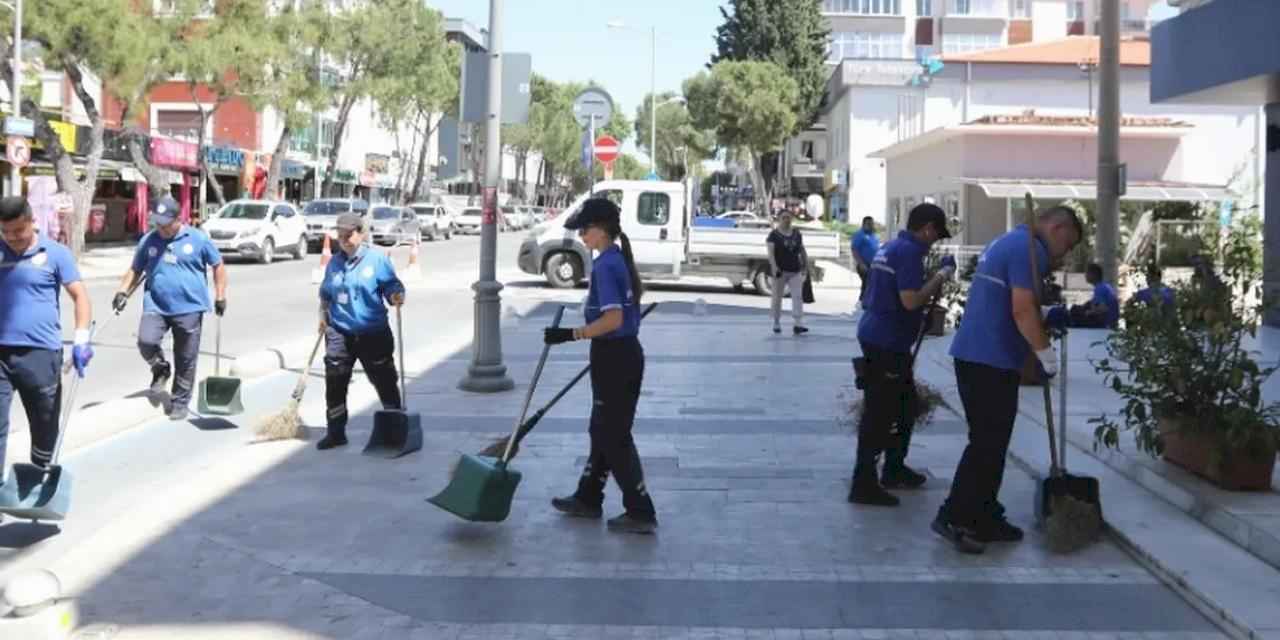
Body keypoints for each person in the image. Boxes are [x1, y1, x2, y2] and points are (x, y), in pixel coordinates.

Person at [934, 205, 1082, 554]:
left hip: (979, 355)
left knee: (993, 442)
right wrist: (1045, 354)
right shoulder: (1029, 250)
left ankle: (985, 514)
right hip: (989, 358)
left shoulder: (1008, 242)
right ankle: (954, 516)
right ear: (1057, 227)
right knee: (986, 443)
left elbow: (1010, 302)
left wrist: (1045, 313)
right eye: (1068, 243)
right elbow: (1020, 310)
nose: (1066, 253)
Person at [544, 198, 657, 535]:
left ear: (603, 230)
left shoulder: (607, 264)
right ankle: (589, 497)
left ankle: (640, 510)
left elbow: (613, 318)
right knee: (602, 430)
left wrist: (571, 335)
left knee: (614, 435)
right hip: (618, 354)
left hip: (616, 357)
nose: (582, 235)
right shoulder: (614, 258)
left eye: (586, 229)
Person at [850, 203, 955, 506]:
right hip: (887, 342)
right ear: (927, 229)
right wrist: (941, 276)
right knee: (879, 413)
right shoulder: (909, 253)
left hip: (877, 333)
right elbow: (910, 300)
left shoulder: (891, 246)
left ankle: (894, 468)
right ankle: (864, 482)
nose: (935, 242)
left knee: (907, 406)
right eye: (936, 236)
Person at [0, 197, 93, 475]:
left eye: (18, 231)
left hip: (41, 354)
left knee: (44, 423)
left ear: (32, 222)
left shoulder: (56, 254)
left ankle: (41, 475)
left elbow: (80, 297)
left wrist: (81, 338)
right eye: (5, 231)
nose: (12, 238)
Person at [114, 196, 227, 421]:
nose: (161, 229)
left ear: (179, 219)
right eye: (158, 224)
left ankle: (179, 401)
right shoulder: (149, 240)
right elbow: (135, 269)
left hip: (190, 307)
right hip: (156, 304)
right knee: (146, 340)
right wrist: (122, 291)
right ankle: (160, 367)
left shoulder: (197, 239)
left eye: (166, 224)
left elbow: (218, 265)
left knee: (186, 357)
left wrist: (220, 295)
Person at [316, 213, 406, 450]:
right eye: (340, 234)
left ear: (361, 233)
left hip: (372, 331)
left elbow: (391, 285)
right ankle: (336, 432)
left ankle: (395, 427)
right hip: (339, 330)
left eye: (349, 234)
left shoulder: (376, 260)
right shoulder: (334, 262)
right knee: (335, 382)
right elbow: (326, 293)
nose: (344, 239)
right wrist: (323, 315)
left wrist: (396, 295)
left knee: (384, 380)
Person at [767, 211, 809, 335]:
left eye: (789, 217)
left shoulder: (796, 234)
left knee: (797, 296)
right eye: (784, 217)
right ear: (779, 219)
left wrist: (805, 266)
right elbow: (771, 254)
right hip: (780, 271)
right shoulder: (773, 235)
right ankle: (776, 322)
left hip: (795, 270)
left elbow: (802, 250)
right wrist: (774, 267)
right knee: (777, 297)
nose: (787, 220)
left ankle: (798, 323)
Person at [1067, 263, 1119, 329]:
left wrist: (1089, 312)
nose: (1085, 275)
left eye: (1087, 273)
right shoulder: (1104, 286)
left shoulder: (1099, 289)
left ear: (1093, 275)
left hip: (1106, 324)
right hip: (1109, 322)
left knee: (1074, 316)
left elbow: (1103, 308)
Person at [850, 216, 880, 305]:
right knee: (867, 282)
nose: (871, 226)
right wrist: (861, 263)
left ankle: (866, 301)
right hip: (864, 264)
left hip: (874, 264)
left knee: (871, 283)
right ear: (863, 224)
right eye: (868, 224)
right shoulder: (860, 235)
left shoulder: (873, 235)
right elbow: (854, 250)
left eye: (872, 224)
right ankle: (863, 301)